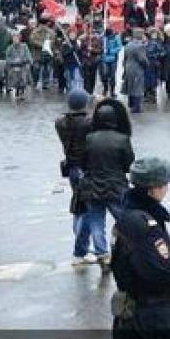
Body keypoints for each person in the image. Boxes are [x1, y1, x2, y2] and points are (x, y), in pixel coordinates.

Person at [110, 157, 170, 339]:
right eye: (164, 184)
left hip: (137, 314)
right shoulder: (145, 225)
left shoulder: (128, 215)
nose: (166, 188)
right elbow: (164, 272)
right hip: (155, 317)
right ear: (153, 188)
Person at [78, 99, 134, 270]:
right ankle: (129, 250)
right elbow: (129, 163)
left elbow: (83, 162)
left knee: (96, 223)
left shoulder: (89, 138)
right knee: (126, 220)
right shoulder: (122, 139)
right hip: (116, 186)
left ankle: (103, 255)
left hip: (92, 186)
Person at [56, 89, 93, 256]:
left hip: (71, 167)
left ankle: (80, 240)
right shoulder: (87, 123)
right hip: (85, 168)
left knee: (78, 202)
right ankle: (81, 243)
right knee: (86, 207)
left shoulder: (60, 122)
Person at [122, 29, 148, 115]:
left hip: (128, 67)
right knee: (137, 87)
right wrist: (147, 64)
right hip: (137, 69)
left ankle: (131, 104)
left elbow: (125, 58)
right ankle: (136, 107)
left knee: (131, 85)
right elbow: (142, 59)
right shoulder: (139, 46)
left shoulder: (128, 44)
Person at [5, 31, 34, 101]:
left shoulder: (24, 46)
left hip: (23, 65)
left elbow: (28, 56)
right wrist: (13, 61)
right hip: (13, 66)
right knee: (14, 75)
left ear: (20, 38)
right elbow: (7, 58)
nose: (15, 39)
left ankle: (21, 91)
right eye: (14, 38)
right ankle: (17, 90)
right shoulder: (10, 48)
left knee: (24, 74)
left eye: (17, 37)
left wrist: (24, 60)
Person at [101, 27, 123, 97]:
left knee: (112, 76)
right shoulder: (103, 38)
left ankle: (112, 91)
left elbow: (120, 47)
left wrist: (111, 51)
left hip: (113, 59)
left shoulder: (116, 37)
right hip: (104, 59)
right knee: (104, 75)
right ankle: (105, 88)